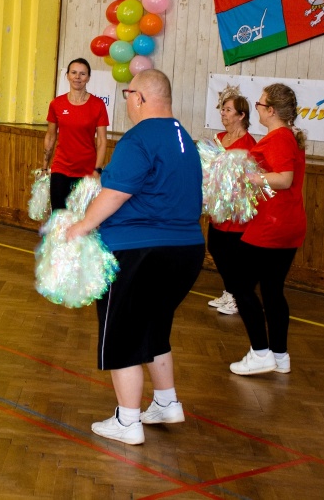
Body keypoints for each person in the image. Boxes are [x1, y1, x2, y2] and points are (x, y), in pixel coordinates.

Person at [66, 69, 205, 445]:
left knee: (123, 333)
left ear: (139, 98)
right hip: (186, 252)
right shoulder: (183, 138)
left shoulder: (139, 137)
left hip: (139, 252)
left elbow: (116, 193)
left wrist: (82, 225)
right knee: (153, 326)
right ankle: (166, 402)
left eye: (128, 95)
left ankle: (127, 421)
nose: (127, 102)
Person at [227, 83, 307, 376]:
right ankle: (280, 356)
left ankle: (260, 352)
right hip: (284, 223)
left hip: (272, 225)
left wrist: (251, 178)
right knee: (272, 290)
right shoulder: (285, 136)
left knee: (239, 286)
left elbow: (284, 179)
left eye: (260, 104)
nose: (257, 108)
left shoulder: (281, 138)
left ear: (271, 110)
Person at [206, 87, 257, 316]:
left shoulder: (249, 144)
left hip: (236, 208)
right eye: (222, 109)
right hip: (217, 205)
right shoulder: (218, 138)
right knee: (215, 248)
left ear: (241, 115)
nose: (223, 114)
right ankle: (230, 291)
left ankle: (238, 296)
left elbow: (250, 178)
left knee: (232, 254)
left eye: (228, 110)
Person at [43, 59, 109, 210]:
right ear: (67, 75)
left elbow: (102, 141)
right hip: (61, 167)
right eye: (73, 72)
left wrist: (97, 169)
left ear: (88, 77)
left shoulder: (98, 105)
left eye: (82, 74)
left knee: (82, 215)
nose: (77, 77)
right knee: (58, 214)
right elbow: (50, 136)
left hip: (87, 169)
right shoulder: (56, 104)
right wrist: (45, 167)